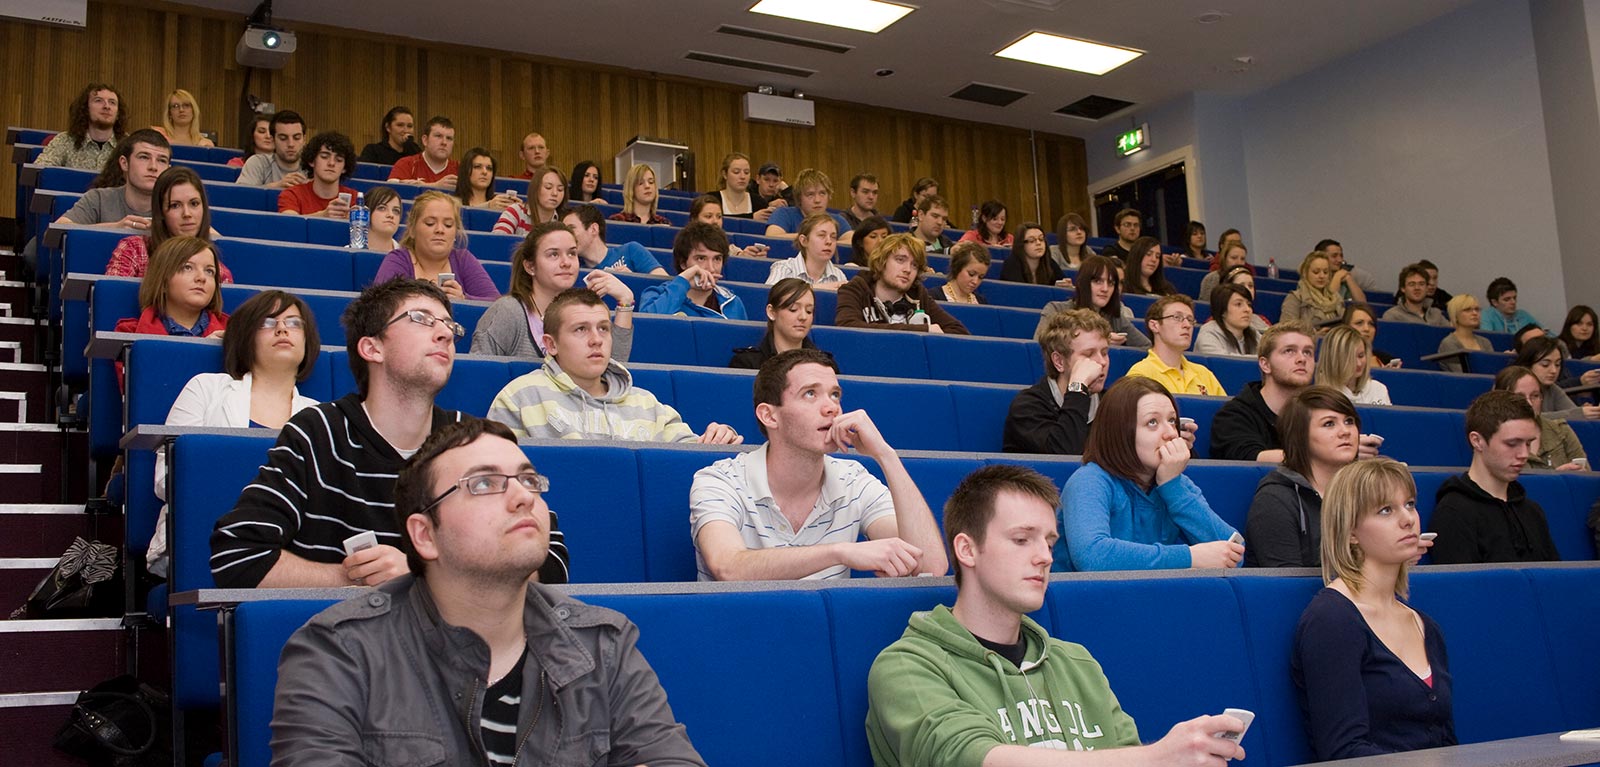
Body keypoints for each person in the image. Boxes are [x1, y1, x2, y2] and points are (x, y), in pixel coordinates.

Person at [269, 418, 696, 766]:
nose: (522, 497)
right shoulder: (338, 651)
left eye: (529, 480)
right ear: (424, 535)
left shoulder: (604, 642)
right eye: (484, 484)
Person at [865, 463, 1248, 766]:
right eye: (1021, 539)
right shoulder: (907, 666)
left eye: (1049, 542)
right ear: (967, 550)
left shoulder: (1075, 662)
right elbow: (974, 758)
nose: (1045, 557)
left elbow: (1125, 756)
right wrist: (1157, 756)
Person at [210, 279, 569, 588]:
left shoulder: (474, 443)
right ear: (372, 347)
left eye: (448, 325)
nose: (445, 333)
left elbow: (551, 561)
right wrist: (351, 580)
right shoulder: (318, 432)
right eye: (421, 319)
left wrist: (425, 577)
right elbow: (237, 556)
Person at [689, 349, 948, 581]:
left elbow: (931, 567)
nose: (832, 408)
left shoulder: (854, 479)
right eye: (810, 393)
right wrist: (840, 553)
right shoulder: (719, 479)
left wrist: (885, 455)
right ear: (769, 415)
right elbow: (728, 567)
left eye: (835, 395)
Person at [146, 290, 321, 577]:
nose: (282, 329)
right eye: (267, 322)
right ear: (244, 338)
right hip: (205, 541)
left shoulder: (319, 416)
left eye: (294, 323)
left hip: (294, 553)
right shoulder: (205, 389)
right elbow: (167, 477)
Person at [1293, 458, 1455, 761]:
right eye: (1386, 510)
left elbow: (1447, 740)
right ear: (1351, 531)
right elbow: (1344, 751)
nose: (1408, 519)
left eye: (1409, 504)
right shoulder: (1332, 620)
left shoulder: (1424, 625)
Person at [488, 288, 740, 443]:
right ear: (551, 344)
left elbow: (689, 460)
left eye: (603, 329)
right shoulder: (518, 397)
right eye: (580, 330)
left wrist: (718, 438)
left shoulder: (647, 404)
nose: (596, 339)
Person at [1055, 377, 1242, 571]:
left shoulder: (1175, 482)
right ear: (1120, 432)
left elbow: (1234, 553)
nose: (1170, 433)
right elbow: (1092, 556)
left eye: (1172, 421)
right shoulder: (1089, 480)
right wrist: (1190, 557)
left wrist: (1172, 487)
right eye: (1152, 422)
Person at [470, 220, 635, 360]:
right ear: (530, 266)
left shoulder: (579, 312)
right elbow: (480, 376)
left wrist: (625, 301)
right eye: (553, 255)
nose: (566, 262)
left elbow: (611, 371)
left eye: (572, 254)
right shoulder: (508, 311)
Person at [1429, 390, 1561, 563]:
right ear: (1477, 441)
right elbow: (1462, 587)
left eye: (1528, 443)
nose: (1524, 454)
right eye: (1512, 443)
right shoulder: (1454, 513)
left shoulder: (1532, 511)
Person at [1246, 386, 1362, 567]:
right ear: (1300, 436)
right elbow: (1286, 587)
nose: (1345, 431)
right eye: (1329, 424)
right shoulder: (1275, 500)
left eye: (1349, 421)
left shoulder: (1366, 491)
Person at [1212, 322, 1328, 462]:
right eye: (1289, 351)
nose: (1302, 359)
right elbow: (1252, 459)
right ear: (1265, 365)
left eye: (1307, 352)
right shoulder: (1234, 415)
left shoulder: (1320, 411)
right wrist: (1328, 454)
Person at [105, 166, 233, 283]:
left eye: (194, 204)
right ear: (161, 212)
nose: (187, 214)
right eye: (175, 205)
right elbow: (112, 299)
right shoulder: (134, 249)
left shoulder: (218, 271)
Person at [374, 191, 500, 301]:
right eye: (430, 223)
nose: (440, 230)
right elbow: (379, 303)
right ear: (412, 229)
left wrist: (464, 299)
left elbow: (497, 304)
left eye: (448, 225)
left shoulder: (463, 259)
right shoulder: (398, 259)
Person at [835, 233, 967, 334]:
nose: (907, 270)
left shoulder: (918, 295)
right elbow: (847, 326)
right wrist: (921, 330)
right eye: (900, 260)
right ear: (882, 261)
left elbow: (958, 331)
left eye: (914, 265)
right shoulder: (855, 289)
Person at [112, 236, 229, 341]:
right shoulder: (129, 335)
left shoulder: (235, 333)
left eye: (209, 271)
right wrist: (206, 354)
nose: (201, 278)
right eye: (187, 267)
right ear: (162, 280)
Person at [54, 129, 170, 232]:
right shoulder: (98, 199)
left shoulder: (177, 205)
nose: (153, 167)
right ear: (124, 163)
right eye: (144, 157)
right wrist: (114, 228)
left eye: (162, 160)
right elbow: (59, 228)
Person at [1036, 254, 1151, 349]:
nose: (1105, 289)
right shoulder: (1056, 310)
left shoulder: (1116, 319)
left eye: (1111, 283)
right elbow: (1040, 345)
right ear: (1083, 283)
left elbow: (1146, 346)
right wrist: (1100, 340)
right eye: (1098, 281)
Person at [638, 223, 747, 319]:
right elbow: (647, 325)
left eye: (717, 259)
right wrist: (683, 281)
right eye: (701, 258)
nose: (711, 268)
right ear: (683, 263)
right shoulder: (656, 295)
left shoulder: (733, 303)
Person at [1126, 295, 1226, 396]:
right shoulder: (1141, 375)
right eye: (1177, 317)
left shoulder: (1204, 374)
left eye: (1190, 320)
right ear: (1154, 325)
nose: (1187, 325)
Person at [1495, 366, 1587, 470]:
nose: (1529, 404)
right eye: (1519, 397)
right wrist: (1556, 479)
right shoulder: (1493, 437)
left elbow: (1586, 477)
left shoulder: (1561, 430)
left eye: (1535, 396)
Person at [730, 278, 824, 369]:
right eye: (793, 309)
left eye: (809, 311)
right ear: (771, 312)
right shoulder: (747, 364)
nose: (803, 317)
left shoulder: (824, 364)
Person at [37, 83, 126, 170]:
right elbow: (40, 171)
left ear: (118, 113)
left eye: (112, 102)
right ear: (86, 109)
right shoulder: (64, 140)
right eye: (98, 100)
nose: (107, 106)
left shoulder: (129, 145)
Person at [563, 203, 667, 275]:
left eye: (571, 229)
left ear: (593, 229)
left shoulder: (631, 250)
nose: (567, 236)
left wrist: (633, 281)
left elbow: (666, 285)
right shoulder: (574, 269)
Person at [1514, 335, 1600, 421]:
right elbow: (1527, 418)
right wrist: (1578, 413)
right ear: (1527, 365)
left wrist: (1590, 413)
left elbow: (1571, 410)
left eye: (1557, 364)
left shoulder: (1553, 388)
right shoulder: (1515, 387)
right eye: (1545, 365)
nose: (1554, 370)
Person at [276, 131, 359, 218]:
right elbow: (289, 224)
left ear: (344, 168)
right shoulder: (292, 195)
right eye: (324, 157)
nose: (331, 163)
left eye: (338, 159)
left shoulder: (356, 199)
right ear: (312, 161)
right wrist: (323, 215)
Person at [763, 168, 853, 241]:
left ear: (829, 195)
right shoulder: (783, 214)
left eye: (822, 193)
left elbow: (851, 242)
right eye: (810, 195)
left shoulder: (837, 220)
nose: (817, 200)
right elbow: (772, 237)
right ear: (799, 198)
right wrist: (812, 237)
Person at [1316, 324, 1391, 405]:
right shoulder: (1322, 397)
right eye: (1350, 358)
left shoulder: (1379, 389)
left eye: (1361, 356)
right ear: (1334, 359)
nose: (1358, 364)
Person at [766, 213, 847, 289]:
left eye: (833, 237)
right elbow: (770, 297)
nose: (829, 241)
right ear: (804, 241)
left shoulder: (839, 275)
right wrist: (819, 288)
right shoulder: (783, 268)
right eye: (821, 235)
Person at [237, 110, 308, 189]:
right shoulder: (258, 163)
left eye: (296, 138)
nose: (291, 144)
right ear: (273, 139)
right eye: (283, 138)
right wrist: (277, 186)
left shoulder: (314, 167)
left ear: (304, 140)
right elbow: (241, 196)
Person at [386, 116, 458, 187]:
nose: (444, 142)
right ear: (425, 140)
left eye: (449, 138)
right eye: (438, 136)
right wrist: (434, 186)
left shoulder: (460, 169)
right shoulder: (407, 163)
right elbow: (390, 188)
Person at [690, 194, 769, 258]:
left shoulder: (729, 248)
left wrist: (748, 256)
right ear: (694, 219)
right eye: (708, 216)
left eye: (719, 217)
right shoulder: (685, 247)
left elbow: (739, 255)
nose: (715, 221)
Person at [493, 165, 566, 235]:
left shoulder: (565, 220)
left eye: (560, 189)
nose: (555, 193)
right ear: (535, 189)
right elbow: (499, 240)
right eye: (548, 187)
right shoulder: (516, 212)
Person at [1281, 250, 1346, 327]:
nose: (1321, 276)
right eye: (1316, 272)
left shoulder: (1336, 298)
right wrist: (1315, 335)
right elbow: (1286, 331)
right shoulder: (1295, 298)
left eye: (1325, 272)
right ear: (1306, 273)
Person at [1194, 284, 1259, 358]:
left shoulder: (1254, 333)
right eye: (1238, 304)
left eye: (1249, 304)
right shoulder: (1208, 333)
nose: (1247, 309)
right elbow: (1224, 363)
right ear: (1223, 311)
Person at [1436, 294, 1494, 373]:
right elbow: (1461, 373)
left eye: (1477, 309)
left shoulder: (1485, 342)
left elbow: (1493, 370)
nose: (1474, 313)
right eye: (1467, 310)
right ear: (1455, 315)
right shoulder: (1448, 343)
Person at [716, 152, 777, 222]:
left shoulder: (759, 202)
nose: (742, 177)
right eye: (736, 172)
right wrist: (751, 218)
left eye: (746, 172)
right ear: (725, 174)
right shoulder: (712, 199)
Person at [997, 223, 1064, 286]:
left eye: (1041, 239)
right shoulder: (1011, 265)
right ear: (1021, 245)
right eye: (1032, 240)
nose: (1038, 243)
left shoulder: (1050, 262)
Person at [452, 147, 518, 211]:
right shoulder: (452, 204)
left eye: (489, 168)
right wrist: (488, 206)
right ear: (466, 171)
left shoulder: (500, 204)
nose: (484, 172)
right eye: (478, 167)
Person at [1383, 264, 1449, 326]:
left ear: (1426, 288)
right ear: (1403, 288)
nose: (1417, 288)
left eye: (1421, 284)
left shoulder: (1436, 314)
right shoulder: (1393, 316)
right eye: (1412, 284)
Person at [1344, 303, 1401, 368]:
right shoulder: (1335, 359)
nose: (1366, 329)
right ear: (1346, 327)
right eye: (1359, 323)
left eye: (1371, 324)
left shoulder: (1387, 360)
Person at [363, 186, 403, 254]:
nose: (391, 215)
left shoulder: (408, 258)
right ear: (366, 213)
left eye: (396, 211)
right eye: (382, 208)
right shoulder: (349, 252)